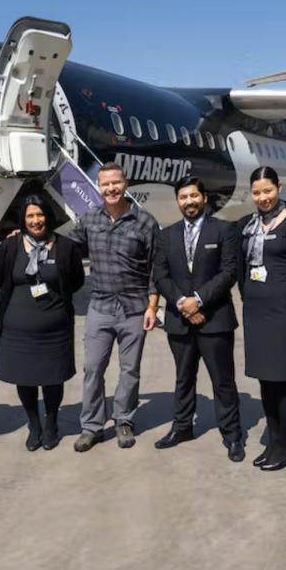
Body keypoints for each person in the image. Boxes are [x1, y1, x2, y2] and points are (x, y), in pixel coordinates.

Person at [153, 176, 245, 461]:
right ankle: (182, 427)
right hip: (179, 319)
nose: (189, 202)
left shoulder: (224, 230)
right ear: (178, 201)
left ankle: (232, 435)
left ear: (204, 198)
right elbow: (160, 275)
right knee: (183, 378)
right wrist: (182, 303)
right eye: (183, 197)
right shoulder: (166, 235)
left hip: (214, 318)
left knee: (223, 381)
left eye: (194, 196)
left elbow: (229, 271)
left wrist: (199, 300)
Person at [70, 162, 160, 452]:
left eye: (116, 183)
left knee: (129, 369)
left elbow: (156, 267)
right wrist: (24, 238)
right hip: (100, 306)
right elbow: (64, 247)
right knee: (93, 368)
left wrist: (152, 306)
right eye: (105, 184)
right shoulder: (88, 220)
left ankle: (124, 420)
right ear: (99, 187)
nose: (111, 188)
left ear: (126, 184)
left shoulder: (145, 222)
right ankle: (92, 426)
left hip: (134, 307)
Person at [236, 167, 286, 471]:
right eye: (257, 192)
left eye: (267, 191)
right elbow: (241, 268)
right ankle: (274, 442)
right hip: (256, 313)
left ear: (278, 189)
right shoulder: (246, 225)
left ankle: (284, 444)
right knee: (265, 381)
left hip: (283, 312)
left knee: (282, 380)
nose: (263, 197)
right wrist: (248, 294)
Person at [0, 195, 85, 451]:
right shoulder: (10, 246)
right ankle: (34, 425)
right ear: (23, 219)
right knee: (25, 378)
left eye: (40, 214)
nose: (36, 220)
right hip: (18, 328)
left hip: (55, 328)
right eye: (30, 216)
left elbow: (76, 281)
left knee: (53, 378)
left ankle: (52, 423)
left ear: (49, 216)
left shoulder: (65, 246)